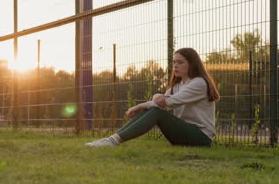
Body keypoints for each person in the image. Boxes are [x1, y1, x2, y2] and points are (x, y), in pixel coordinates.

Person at [86, 47, 220, 147]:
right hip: (183, 134)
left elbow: (168, 103)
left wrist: (139, 106)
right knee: (152, 109)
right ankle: (111, 139)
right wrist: (157, 96)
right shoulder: (177, 86)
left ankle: (112, 141)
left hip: (201, 137)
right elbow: (160, 100)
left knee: (155, 111)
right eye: (174, 62)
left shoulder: (199, 83)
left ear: (192, 64)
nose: (175, 66)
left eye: (180, 62)